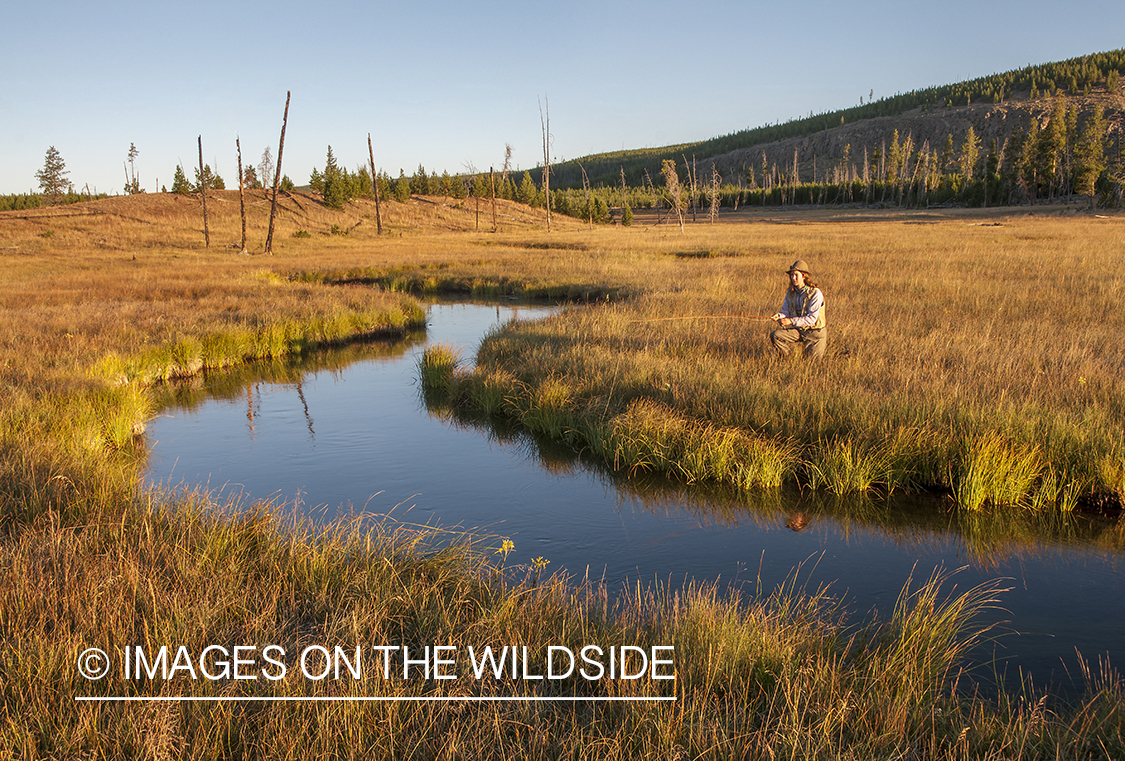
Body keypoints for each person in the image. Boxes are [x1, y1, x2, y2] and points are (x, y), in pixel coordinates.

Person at [769, 259, 827, 358]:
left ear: (804, 276)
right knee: (776, 335)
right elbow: (786, 312)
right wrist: (779, 316)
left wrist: (790, 321)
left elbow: (811, 319)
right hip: (799, 330)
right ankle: (787, 358)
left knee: (812, 364)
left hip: (815, 333)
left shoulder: (815, 293)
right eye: (791, 275)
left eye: (796, 275)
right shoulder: (790, 293)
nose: (793, 278)